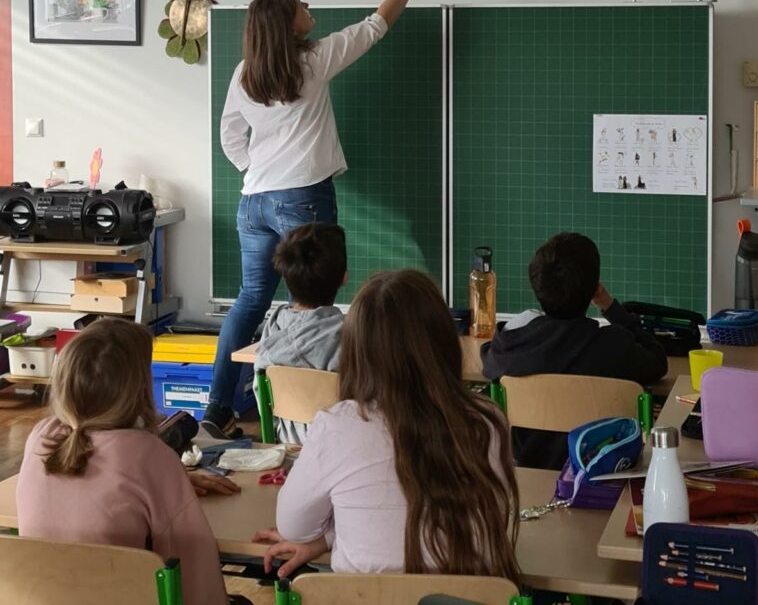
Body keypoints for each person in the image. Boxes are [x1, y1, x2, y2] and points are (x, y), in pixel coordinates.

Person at [204, 0, 434, 438]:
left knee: (249, 302)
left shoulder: (245, 75)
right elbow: (376, 25)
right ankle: (309, 413)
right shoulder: (313, 62)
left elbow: (228, 136)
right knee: (310, 309)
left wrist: (258, 169)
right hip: (301, 199)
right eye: (301, 6)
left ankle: (218, 408)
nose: (309, 9)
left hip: (255, 202)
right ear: (290, 24)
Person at [253, 269, 520, 582]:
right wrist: (330, 537)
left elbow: (293, 527)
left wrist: (331, 536)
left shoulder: (339, 425)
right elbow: (485, 521)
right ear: (443, 341)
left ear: (355, 350)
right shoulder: (487, 422)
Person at [16, 318, 229, 605]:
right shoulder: (149, 455)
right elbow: (193, 566)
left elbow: (96, 482)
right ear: (139, 389)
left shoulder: (40, 438)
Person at [481, 232, 668, 469]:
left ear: (537, 286)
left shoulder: (512, 345)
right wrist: (611, 308)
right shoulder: (616, 347)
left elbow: (488, 358)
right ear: (594, 290)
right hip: (601, 474)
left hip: (531, 475)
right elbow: (657, 359)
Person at [258, 222, 347, 444]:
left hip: (287, 447)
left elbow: (262, 402)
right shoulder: (351, 336)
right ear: (343, 278)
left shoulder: (274, 328)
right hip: (341, 447)